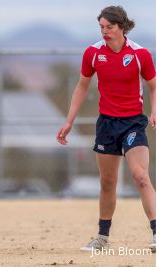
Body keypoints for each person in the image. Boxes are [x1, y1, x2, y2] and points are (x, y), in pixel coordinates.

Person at [56, 6, 156, 252]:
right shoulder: (92, 53)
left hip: (133, 122)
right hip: (106, 124)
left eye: (109, 27)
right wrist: (69, 120)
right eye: (101, 27)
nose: (105, 32)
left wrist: (154, 111)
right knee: (107, 182)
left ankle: (156, 232)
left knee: (141, 177)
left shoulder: (140, 54)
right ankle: (102, 237)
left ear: (122, 27)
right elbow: (81, 87)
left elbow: (154, 86)